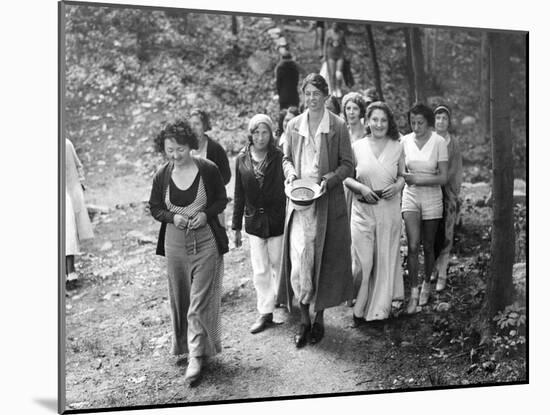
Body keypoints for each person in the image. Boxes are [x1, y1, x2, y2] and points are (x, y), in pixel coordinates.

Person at [149, 120, 229, 385]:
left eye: (180, 149)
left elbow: (220, 199)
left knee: (199, 300)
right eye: (169, 149)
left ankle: (196, 356)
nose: (175, 155)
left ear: (190, 146)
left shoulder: (208, 169)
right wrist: (172, 217)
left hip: (206, 244)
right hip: (175, 246)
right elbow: (155, 208)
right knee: (181, 298)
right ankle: (190, 348)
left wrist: (206, 215)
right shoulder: (162, 174)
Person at [277, 73, 354, 348]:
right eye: (307, 94)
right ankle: (303, 319)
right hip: (298, 202)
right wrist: (289, 174)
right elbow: (285, 158)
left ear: (326, 96)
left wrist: (328, 179)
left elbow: (348, 165)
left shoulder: (337, 126)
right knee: (299, 260)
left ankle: (318, 317)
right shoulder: (294, 125)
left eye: (316, 94)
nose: (311, 99)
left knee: (322, 259)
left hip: (325, 203)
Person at [344, 102, 405, 325]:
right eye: (375, 119)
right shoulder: (357, 146)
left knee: (384, 260)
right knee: (363, 262)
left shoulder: (397, 146)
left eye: (383, 120)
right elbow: (347, 176)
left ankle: (377, 311)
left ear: (389, 123)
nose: (379, 124)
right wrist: (361, 188)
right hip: (362, 209)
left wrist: (398, 186)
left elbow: (402, 175)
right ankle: (358, 304)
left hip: (388, 210)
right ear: (367, 121)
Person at [232, 114, 286, 334]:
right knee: (260, 268)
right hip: (254, 221)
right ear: (250, 134)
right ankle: (265, 312)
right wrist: (235, 227)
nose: (261, 137)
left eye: (265, 132)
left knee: (277, 262)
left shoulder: (279, 156)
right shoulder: (242, 159)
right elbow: (239, 194)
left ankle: (283, 298)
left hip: (276, 219)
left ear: (271, 134)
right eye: (256, 132)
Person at [401, 103, 448, 313]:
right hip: (410, 197)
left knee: (428, 246)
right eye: (413, 122)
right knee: (412, 246)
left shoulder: (438, 142)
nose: (416, 127)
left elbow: (443, 177)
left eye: (420, 123)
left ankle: (427, 285)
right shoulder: (404, 140)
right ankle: (413, 291)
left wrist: (418, 179)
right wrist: (408, 178)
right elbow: (402, 172)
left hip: (432, 199)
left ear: (429, 123)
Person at [432, 105, 463, 291]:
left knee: (446, 234)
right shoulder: (430, 140)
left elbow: (455, 169)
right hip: (430, 192)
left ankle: (443, 273)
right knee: (432, 232)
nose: (441, 121)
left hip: (447, 192)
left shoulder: (454, 143)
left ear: (448, 121)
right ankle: (434, 268)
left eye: (444, 118)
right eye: (438, 118)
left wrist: (448, 187)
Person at [189, 108, 231, 227]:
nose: (193, 128)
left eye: (197, 124)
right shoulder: (184, 149)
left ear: (204, 126)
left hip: (213, 203)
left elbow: (226, 175)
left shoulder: (215, 148)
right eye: (191, 124)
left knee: (218, 238)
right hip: (190, 203)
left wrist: (211, 186)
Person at [65, 138, 94, 285]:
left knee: (68, 233)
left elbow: (78, 166)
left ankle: (71, 272)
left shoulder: (66, 144)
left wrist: (80, 184)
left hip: (67, 195)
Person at [323, 22, 346, 97]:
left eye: (336, 24)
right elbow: (325, 45)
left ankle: (338, 88)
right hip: (331, 55)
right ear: (332, 25)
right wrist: (324, 55)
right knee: (332, 74)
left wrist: (345, 53)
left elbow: (344, 45)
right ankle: (332, 90)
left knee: (338, 73)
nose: (335, 26)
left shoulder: (341, 33)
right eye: (333, 24)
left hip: (340, 55)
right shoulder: (328, 33)